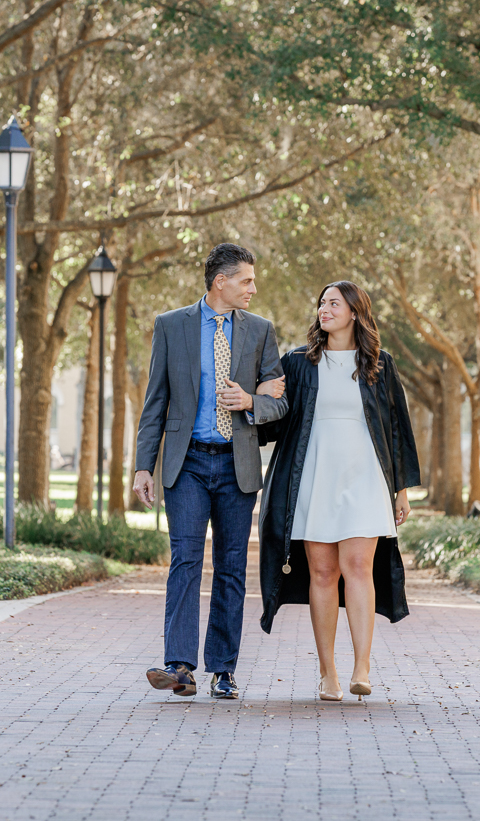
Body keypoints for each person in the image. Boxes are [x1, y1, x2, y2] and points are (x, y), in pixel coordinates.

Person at [133, 243, 287, 700]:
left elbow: (279, 400)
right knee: (184, 559)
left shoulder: (261, 332)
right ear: (221, 281)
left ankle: (223, 669)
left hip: (236, 464)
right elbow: (154, 401)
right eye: (247, 281)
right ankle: (179, 666)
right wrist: (144, 464)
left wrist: (251, 402)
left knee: (232, 566)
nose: (253, 289)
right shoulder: (170, 326)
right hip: (187, 463)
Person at [258, 281, 420, 702]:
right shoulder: (298, 362)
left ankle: (361, 667)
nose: (324, 309)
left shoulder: (380, 364)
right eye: (322, 303)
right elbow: (274, 416)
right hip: (315, 474)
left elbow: (397, 428)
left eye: (334, 303)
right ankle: (327, 672)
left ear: (354, 312)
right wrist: (254, 398)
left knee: (358, 568)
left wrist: (400, 489)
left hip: (366, 476)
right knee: (324, 572)